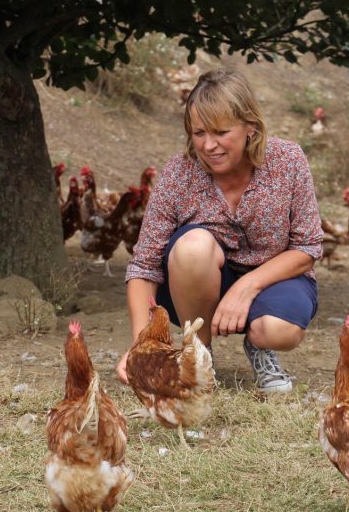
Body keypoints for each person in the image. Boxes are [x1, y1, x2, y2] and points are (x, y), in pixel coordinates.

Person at [116, 68, 322, 394]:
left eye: (221, 132)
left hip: (275, 277)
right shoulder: (178, 173)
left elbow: (308, 247)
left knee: (278, 330)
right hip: (197, 280)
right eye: (198, 133)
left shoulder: (288, 160)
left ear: (250, 128)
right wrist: (143, 344)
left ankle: (259, 348)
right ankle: (199, 357)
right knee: (192, 246)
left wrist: (248, 287)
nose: (209, 145)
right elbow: (144, 266)